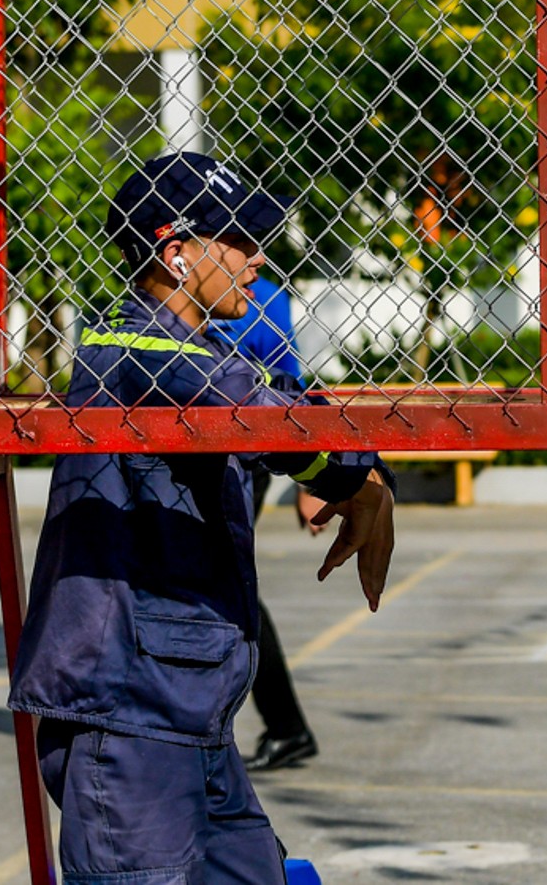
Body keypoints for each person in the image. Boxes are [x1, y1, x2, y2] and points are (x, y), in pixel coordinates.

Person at [10, 152, 397, 885]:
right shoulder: (130, 348)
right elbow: (264, 412)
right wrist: (360, 480)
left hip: (189, 709)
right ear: (176, 253)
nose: (259, 257)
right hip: (125, 711)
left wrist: (364, 476)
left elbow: (287, 413)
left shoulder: (197, 353)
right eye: (238, 239)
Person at [213, 275, 322, 773]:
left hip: (240, 456)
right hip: (195, 451)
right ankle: (283, 727)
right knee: (219, 585)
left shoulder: (261, 296)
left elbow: (287, 386)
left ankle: (286, 726)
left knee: (228, 586)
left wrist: (310, 482)